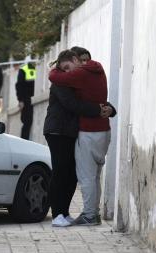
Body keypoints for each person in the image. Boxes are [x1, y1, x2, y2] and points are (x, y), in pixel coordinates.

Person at [44, 57, 115, 227]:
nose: (68, 71)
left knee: (73, 174)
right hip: (58, 131)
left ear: (77, 61)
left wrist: (108, 109)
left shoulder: (79, 76)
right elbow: (73, 104)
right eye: (64, 68)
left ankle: (67, 212)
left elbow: (89, 98)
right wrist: (103, 109)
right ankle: (57, 214)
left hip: (73, 132)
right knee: (61, 172)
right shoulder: (70, 80)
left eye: (69, 66)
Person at [16, 62, 36, 140]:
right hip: (26, 100)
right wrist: (20, 100)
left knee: (28, 123)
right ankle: (24, 141)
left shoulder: (39, 66)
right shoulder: (26, 68)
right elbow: (19, 85)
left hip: (32, 99)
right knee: (27, 123)